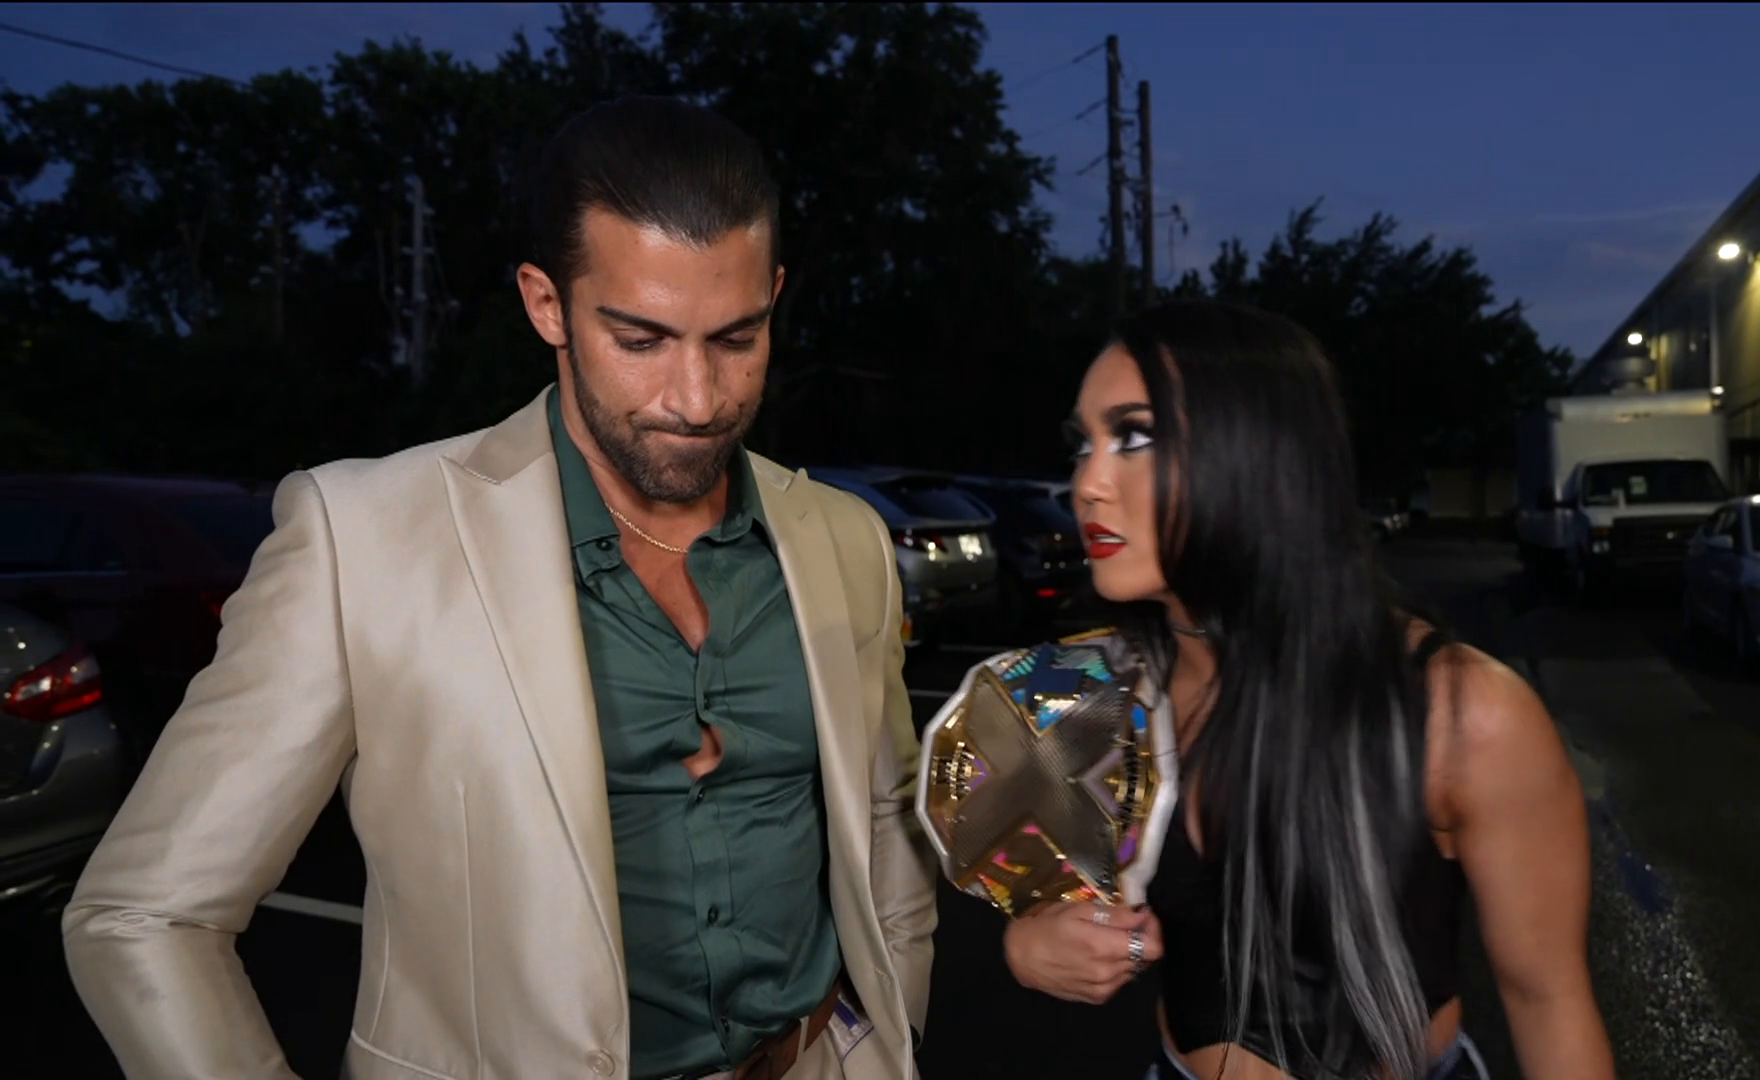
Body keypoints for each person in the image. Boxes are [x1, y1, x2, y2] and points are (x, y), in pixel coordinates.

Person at [62, 95, 936, 1080]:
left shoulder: (847, 541)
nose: (696, 399)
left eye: (736, 339)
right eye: (641, 339)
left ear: (772, 298)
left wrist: (883, 1040)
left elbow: (884, 828)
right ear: (546, 304)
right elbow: (144, 914)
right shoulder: (362, 541)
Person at [1002, 301, 1615, 1080]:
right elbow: (1077, 907)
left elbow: (1548, 1001)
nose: (1086, 483)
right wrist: (1030, 945)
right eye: (1083, 444)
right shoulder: (1091, 692)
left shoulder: (1463, 713)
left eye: (1134, 436)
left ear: (1260, 451)